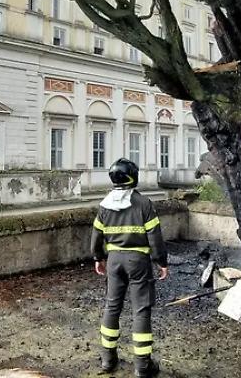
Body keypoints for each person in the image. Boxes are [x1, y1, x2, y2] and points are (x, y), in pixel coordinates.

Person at [90, 158, 167, 377]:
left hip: (114, 261)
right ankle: (142, 366)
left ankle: (107, 359)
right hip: (139, 261)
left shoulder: (105, 205)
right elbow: (155, 237)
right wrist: (161, 262)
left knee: (112, 306)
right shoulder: (143, 203)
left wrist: (98, 258)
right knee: (141, 309)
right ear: (134, 176)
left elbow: (96, 235)